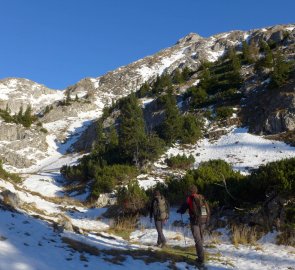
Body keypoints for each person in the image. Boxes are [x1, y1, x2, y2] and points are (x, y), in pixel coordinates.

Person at [177, 185, 210, 267]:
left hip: (195, 221)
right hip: (204, 220)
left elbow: (183, 209)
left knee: (197, 239)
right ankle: (200, 253)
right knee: (200, 237)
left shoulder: (189, 199)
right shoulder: (201, 197)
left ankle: (201, 259)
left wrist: (179, 211)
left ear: (190, 191)